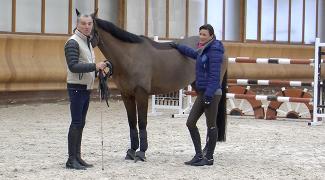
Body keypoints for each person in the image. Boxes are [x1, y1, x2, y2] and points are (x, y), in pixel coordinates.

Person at [170, 24, 224, 166]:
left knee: (211, 125)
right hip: (202, 93)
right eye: (200, 34)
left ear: (211, 36)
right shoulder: (203, 49)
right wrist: (178, 46)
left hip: (212, 94)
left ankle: (209, 158)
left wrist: (208, 95)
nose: (201, 36)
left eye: (204, 34)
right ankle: (199, 155)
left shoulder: (215, 50)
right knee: (190, 122)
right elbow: (193, 54)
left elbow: (214, 76)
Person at [64, 12, 108, 170]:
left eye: (89, 23)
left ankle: (77, 157)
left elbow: (87, 65)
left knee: (80, 123)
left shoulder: (88, 42)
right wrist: (95, 67)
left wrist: (99, 72)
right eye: (83, 23)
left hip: (85, 87)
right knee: (76, 123)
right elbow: (73, 66)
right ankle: (71, 159)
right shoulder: (73, 42)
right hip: (76, 87)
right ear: (77, 24)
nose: (87, 26)